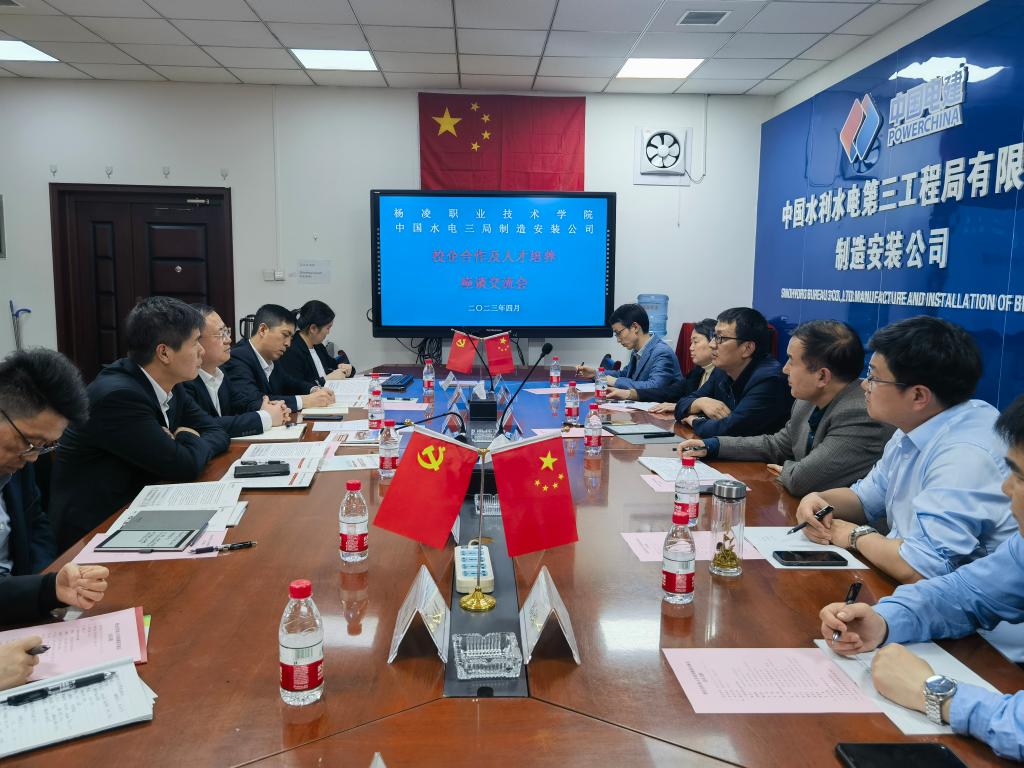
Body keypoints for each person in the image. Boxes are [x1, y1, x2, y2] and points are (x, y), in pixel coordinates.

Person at [817, 394, 1024, 761]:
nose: (1006, 488)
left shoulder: (966, 449)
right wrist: (883, 621)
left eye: (1019, 477)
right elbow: (962, 593)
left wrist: (935, 693)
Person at [792, 316, 1012, 584]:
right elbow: (865, 499)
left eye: (874, 377)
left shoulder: (965, 456)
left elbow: (920, 567)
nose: (864, 385)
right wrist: (818, 499)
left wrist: (854, 535)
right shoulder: (918, 424)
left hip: (971, 607)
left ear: (918, 396)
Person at [50, 297, 230, 550]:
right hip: (96, 533)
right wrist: (188, 437)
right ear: (164, 353)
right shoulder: (118, 397)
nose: (201, 351)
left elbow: (216, 430)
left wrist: (182, 440)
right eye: (194, 343)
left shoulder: (171, 384)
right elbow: (184, 466)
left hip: (142, 510)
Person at [677, 320, 893, 496]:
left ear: (822, 376)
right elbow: (777, 445)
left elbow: (802, 480)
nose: (785, 369)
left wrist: (791, 470)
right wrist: (713, 446)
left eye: (791, 361)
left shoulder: (859, 414)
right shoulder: (806, 400)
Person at [653, 307, 792, 438]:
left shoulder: (769, 379)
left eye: (721, 338)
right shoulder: (723, 370)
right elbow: (682, 404)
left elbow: (730, 429)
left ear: (747, 348)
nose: (712, 344)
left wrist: (694, 421)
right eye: (714, 336)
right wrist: (700, 402)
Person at [182, 305, 290, 438]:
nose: (229, 340)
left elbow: (241, 404)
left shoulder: (221, 372)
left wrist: (268, 408)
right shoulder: (183, 381)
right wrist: (266, 417)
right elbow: (204, 426)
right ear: (196, 340)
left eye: (227, 332)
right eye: (221, 334)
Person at [221, 304, 336, 414]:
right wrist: (305, 401)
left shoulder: (271, 356)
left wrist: (314, 389)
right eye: (285, 335)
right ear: (263, 330)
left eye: (291, 338)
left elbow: (289, 382)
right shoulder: (237, 357)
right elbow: (254, 402)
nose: (288, 344)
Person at [575, 303, 681, 393]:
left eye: (619, 333)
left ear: (635, 327)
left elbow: (655, 387)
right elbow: (625, 375)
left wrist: (615, 381)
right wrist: (596, 373)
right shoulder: (637, 350)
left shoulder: (661, 352)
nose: (618, 340)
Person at [605, 318, 716, 403]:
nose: (690, 348)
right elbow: (670, 391)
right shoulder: (698, 371)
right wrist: (629, 393)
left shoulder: (662, 351)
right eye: (691, 343)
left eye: (695, 342)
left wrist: (682, 407)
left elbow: (657, 387)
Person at [276, 300, 354, 385]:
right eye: (328, 328)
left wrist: (348, 369)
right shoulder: (292, 351)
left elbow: (334, 365)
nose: (328, 332)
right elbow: (297, 387)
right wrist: (326, 379)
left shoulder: (318, 346)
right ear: (313, 328)